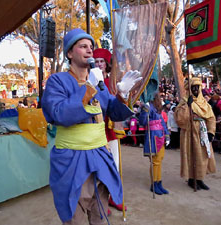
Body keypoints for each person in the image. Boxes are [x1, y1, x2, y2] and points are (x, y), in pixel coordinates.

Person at [41, 28, 141, 225]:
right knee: (74, 216)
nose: (89, 51)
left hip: (100, 158)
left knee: (100, 215)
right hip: (72, 160)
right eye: (83, 46)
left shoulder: (99, 83)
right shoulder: (57, 81)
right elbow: (59, 114)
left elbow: (115, 112)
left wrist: (123, 95)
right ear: (70, 53)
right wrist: (89, 88)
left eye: (91, 47)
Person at [93, 48, 127, 212]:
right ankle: (101, 201)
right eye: (96, 61)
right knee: (100, 167)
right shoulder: (90, 82)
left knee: (115, 165)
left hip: (111, 129)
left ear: (107, 64)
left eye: (102, 62)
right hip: (96, 130)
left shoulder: (113, 82)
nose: (99, 65)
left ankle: (114, 197)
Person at [174, 77, 216, 190]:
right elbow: (179, 118)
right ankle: (192, 179)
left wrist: (211, 132)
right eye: (194, 87)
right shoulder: (184, 101)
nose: (196, 89)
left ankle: (200, 179)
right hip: (189, 132)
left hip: (202, 132)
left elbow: (211, 118)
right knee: (191, 154)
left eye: (198, 87)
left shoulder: (205, 104)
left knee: (201, 155)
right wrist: (187, 106)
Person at [139, 92, 170, 195]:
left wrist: (167, 136)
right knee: (155, 161)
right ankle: (154, 184)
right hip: (152, 137)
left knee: (159, 160)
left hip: (160, 136)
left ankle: (159, 183)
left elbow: (162, 124)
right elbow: (142, 121)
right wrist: (145, 110)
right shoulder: (148, 107)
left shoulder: (158, 110)